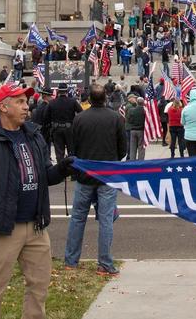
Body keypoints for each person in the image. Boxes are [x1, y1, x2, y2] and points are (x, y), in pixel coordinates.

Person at [0, 82, 71, 319]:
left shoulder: (33, 136)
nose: (26, 107)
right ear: (3, 107)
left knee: (39, 288)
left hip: (36, 227)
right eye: (20, 102)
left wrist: (63, 169)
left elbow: (45, 176)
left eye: (26, 101)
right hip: (4, 228)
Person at [65, 83, 127, 276]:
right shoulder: (116, 118)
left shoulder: (79, 119)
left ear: (89, 100)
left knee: (77, 218)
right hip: (107, 175)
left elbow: (72, 148)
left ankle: (71, 261)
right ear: (106, 98)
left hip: (85, 174)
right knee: (106, 220)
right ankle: (105, 264)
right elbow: (122, 149)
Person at [124, 94, 147, 161]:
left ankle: (132, 160)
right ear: (143, 103)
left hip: (133, 130)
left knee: (132, 147)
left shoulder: (131, 110)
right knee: (141, 146)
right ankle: (140, 160)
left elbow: (129, 120)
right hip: (141, 130)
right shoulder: (144, 111)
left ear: (137, 102)